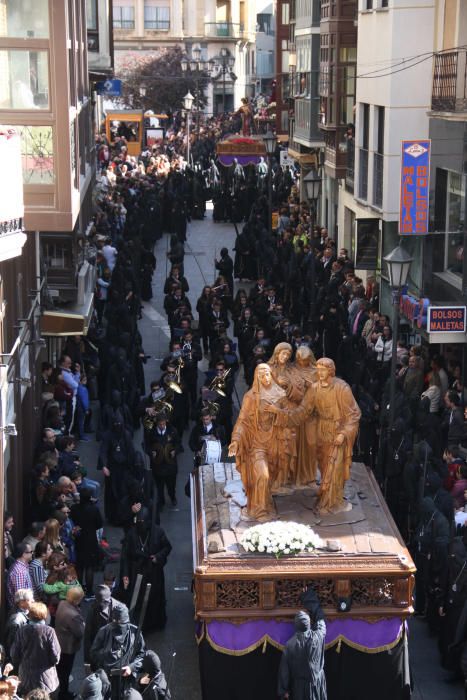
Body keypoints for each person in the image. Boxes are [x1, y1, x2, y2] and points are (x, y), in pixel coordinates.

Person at [228, 364, 295, 521]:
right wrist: (236, 440)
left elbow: (291, 417)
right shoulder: (251, 397)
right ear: (256, 378)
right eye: (261, 375)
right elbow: (242, 421)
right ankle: (259, 510)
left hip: (275, 442)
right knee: (262, 475)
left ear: (271, 375)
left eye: (267, 374)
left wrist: (277, 411)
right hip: (256, 442)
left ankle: (265, 501)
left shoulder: (280, 394)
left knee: (271, 476)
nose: (265, 378)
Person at [120, 511, 172, 632]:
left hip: (153, 571)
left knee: (154, 597)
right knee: (137, 598)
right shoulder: (131, 534)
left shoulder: (158, 532)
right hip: (136, 571)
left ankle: (153, 624)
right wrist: (125, 574)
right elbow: (125, 556)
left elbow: (167, 547)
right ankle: (139, 624)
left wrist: (158, 557)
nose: (141, 525)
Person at [90, 604, 145, 700]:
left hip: (127, 681)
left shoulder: (135, 633)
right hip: (108, 679)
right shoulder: (104, 632)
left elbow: (142, 655)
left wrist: (131, 667)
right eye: (115, 622)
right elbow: (93, 654)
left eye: (121, 623)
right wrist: (107, 657)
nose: (118, 625)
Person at [278, 597, 327, 700]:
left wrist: (284, 691)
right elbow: (320, 620)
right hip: (317, 685)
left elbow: (284, 671)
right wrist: (308, 597)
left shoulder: (289, 645)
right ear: (309, 624)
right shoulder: (318, 636)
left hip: (299, 689)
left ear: (295, 625)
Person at [10, 601, 61, 697]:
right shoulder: (49, 631)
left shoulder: (22, 631)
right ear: (44, 615)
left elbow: (14, 655)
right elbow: (56, 657)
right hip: (45, 678)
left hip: (26, 678)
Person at [70, 488, 104, 599]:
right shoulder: (94, 509)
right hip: (90, 539)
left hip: (79, 539)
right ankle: (89, 591)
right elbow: (99, 524)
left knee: (79, 566)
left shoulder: (74, 508)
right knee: (89, 566)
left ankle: (79, 589)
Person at [55, 587, 85, 700]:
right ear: (76, 600)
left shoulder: (62, 603)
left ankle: (59, 690)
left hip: (59, 642)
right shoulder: (73, 615)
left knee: (60, 669)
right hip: (68, 647)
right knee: (65, 672)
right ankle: (63, 694)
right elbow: (80, 632)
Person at [84, 585, 122, 665]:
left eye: (105, 602)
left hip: (113, 651)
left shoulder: (119, 609)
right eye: (99, 601)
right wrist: (87, 660)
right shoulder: (93, 609)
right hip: (99, 651)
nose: (101, 605)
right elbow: (88, 635)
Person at [4, 589, 34, 664]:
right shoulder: (16, 620)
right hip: (19, 660)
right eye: (30, 600)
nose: (33, 601)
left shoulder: (26, 612)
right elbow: (11, 643)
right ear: (22, 602)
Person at [6, 543, 34, 609]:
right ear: (24, 554)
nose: (32, 553)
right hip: (21, 611)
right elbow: (21, 599)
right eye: (31, 552)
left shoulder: (21, 567)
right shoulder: (20, 572)